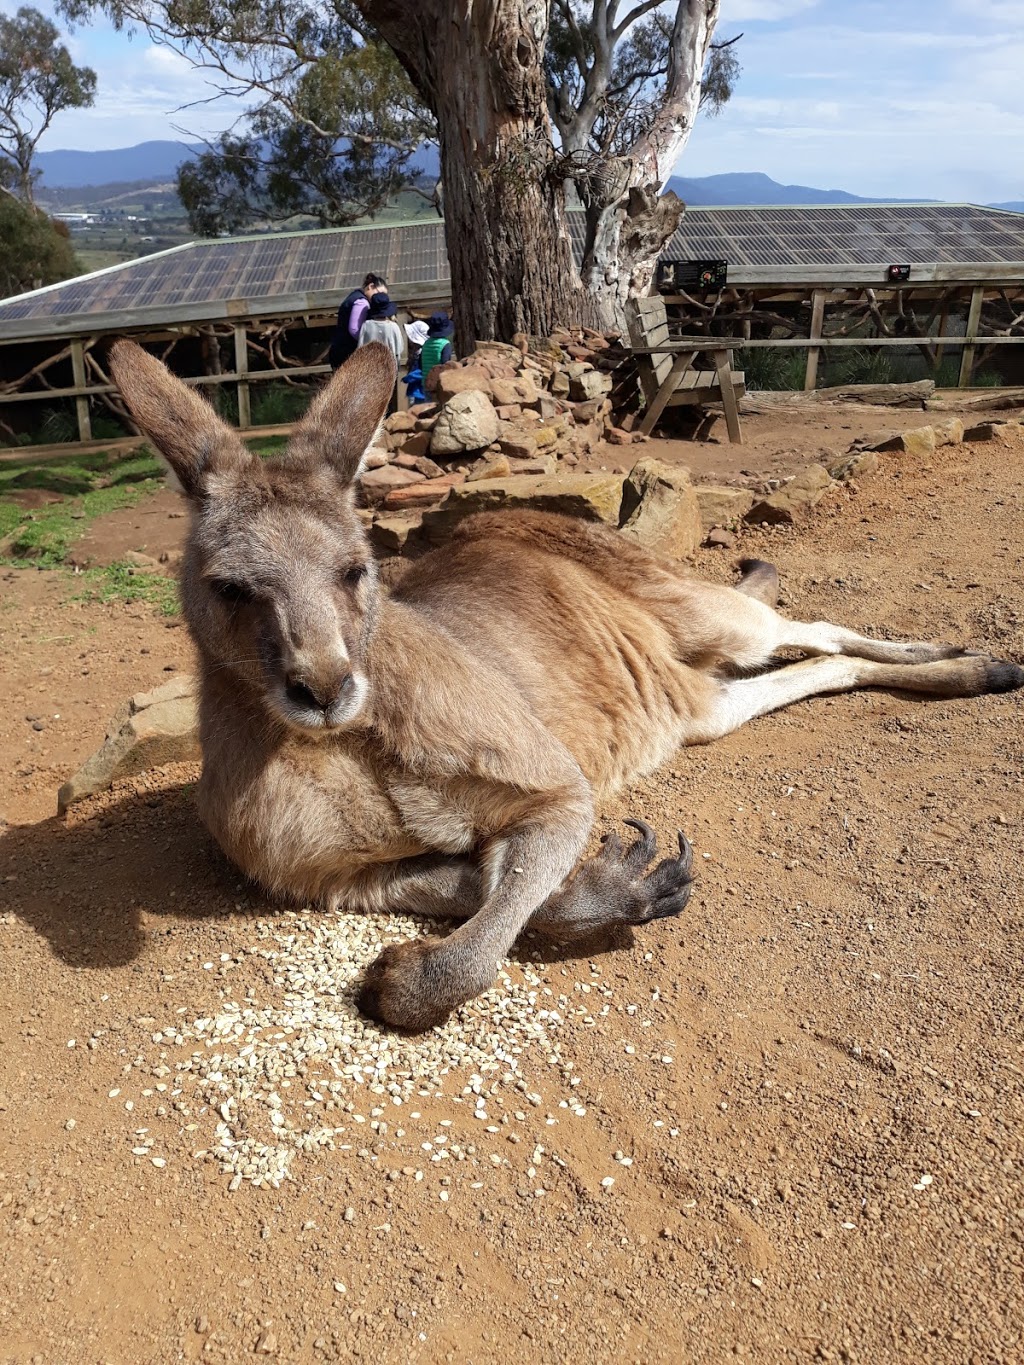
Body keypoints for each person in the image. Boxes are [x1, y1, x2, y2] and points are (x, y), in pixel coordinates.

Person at [358, 294, 406, 413]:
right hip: (389, 368)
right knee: (388, 397)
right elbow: (400, 348)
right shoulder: (393, 327)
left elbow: (360, 348)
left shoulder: (366, 326)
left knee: (372, 398)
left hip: (370, 369)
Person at [328, 273, 387, 370]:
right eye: (379, 293)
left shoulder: (354, 296)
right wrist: (369, 343)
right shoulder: (362, 303)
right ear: (371, 286)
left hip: (339, 350)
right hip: (348, 354)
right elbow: (355, 330)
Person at [419, 311, 455, 392]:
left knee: (428, 403)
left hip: (426, 382)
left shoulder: (426, 343)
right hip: (439, 383)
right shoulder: (445, 344)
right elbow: (446, 364)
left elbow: (420, 364)